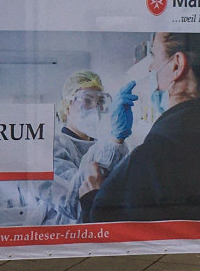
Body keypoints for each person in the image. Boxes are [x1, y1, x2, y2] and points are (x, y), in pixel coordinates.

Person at [82, 31, 200, 223]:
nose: (151, 67)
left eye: (154, 55)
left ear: (176, 65)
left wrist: (92, 197)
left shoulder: (157, 151)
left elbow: (105, 222)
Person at [31, 71, 133, 225]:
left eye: (100, 101)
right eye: (87, 100)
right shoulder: (48, 148)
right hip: (58, 240)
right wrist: (115, 140)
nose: (95, 108)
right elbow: (74, 202)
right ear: (67, 106)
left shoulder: (106, 147)